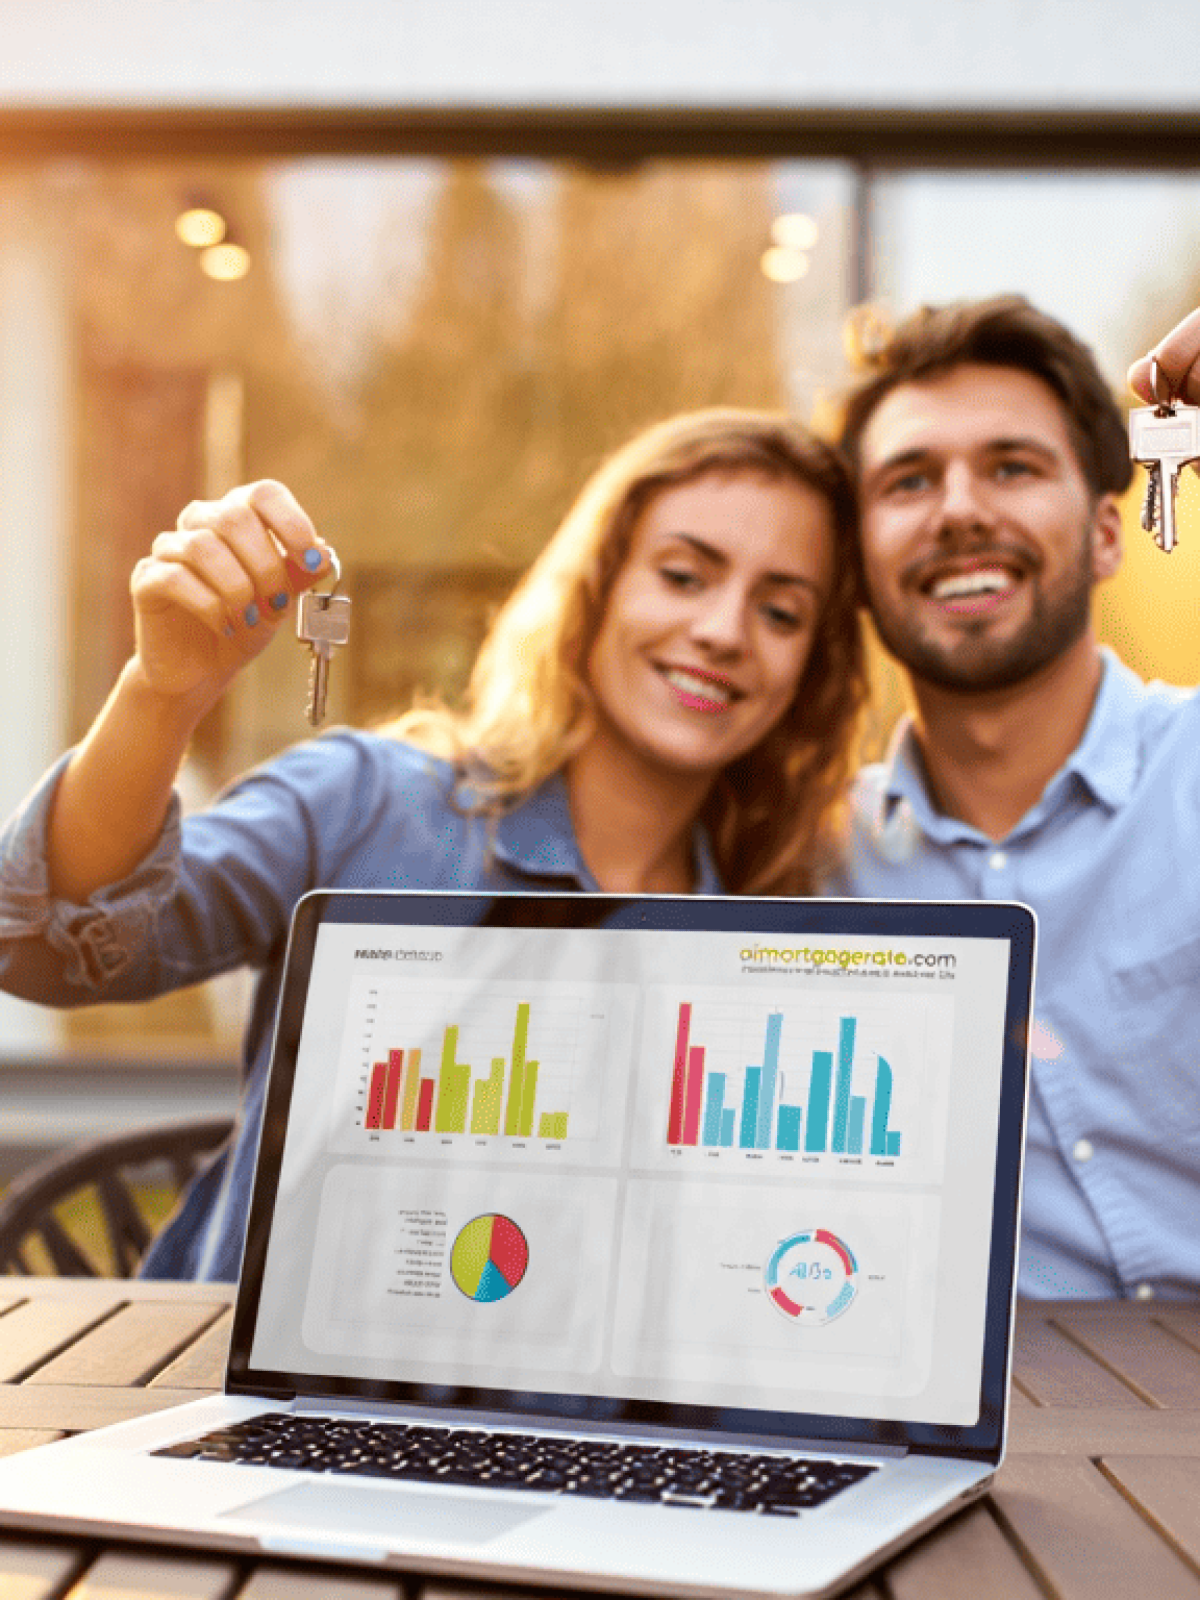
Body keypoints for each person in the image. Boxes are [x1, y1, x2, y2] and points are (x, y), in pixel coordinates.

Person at [0, 408, 866, 1280]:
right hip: (266, 1364)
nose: (724, 630)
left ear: (812, 670)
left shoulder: (776, 935)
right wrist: (162, 695)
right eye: (682, 576)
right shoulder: (367, 803)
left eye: (781, 612)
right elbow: (46, 944)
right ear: (595, 590)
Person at [824, 292, 1200, 1301]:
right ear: (855, 564)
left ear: (1108, 534)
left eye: (1012, 467)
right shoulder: (800, 865)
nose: (958, 511)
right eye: (909, 480)